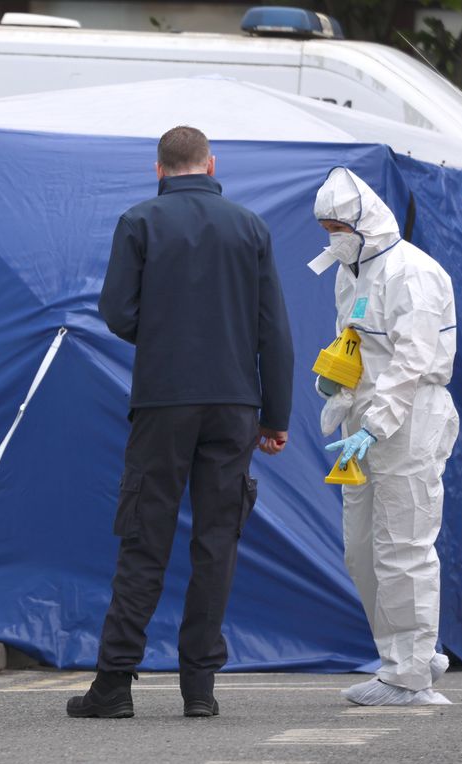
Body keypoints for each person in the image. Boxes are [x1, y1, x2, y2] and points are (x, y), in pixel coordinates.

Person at [68, 126, 294, 719]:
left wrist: (165, 337)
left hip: (164, 400)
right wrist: (275, 416)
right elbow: (274, 330)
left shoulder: (139, 222)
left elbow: (116, 311)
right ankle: (200, 689)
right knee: (216, 543)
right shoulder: (251, 228)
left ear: (159, 169)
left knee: (145, 538)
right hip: (235, 403)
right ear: (211, 163)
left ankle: (114, 685)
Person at [312, 167, 457, 706]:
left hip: (411, 419)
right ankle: (411, 653)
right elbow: (354, 344)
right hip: (366, 422)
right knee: (361, 550)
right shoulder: (349, 271)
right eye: (326, 227)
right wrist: (339, 393)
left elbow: (412, 361)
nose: (332, 236)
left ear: (364, 221)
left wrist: (374, 424)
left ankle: (410, 674)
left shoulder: (411, 273)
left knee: (404, 545)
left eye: (337, 225)